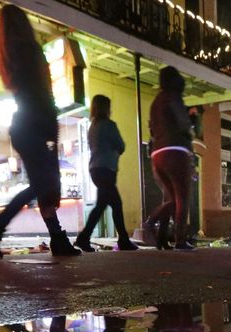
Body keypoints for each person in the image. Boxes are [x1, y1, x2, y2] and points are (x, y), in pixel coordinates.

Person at [0, 4, 78, 257]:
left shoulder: (7, 56)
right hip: (36, 122)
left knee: (41, 184)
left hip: (21, 125)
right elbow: (45, 94)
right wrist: (52, 135)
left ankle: (56, 238)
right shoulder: (31, 51)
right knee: (44, 183)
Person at [75, 95, 137, 252]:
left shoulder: (92, 127)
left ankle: (85, 238)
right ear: (106, 108)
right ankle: (122, 240)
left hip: (95, 169)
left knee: (104, 205)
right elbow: (121, 146)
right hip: (106, 169)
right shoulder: (109, 125)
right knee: (113, 204)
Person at [147, 66, 195, 251]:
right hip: (175, 150)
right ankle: (179, 239)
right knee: (181, 198)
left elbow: (152, 129)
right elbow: (183, 125)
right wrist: (191, 122)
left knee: (169, 197)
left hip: (157, 153)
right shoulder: (173, 97)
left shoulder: (156, 102)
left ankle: (161, 239)